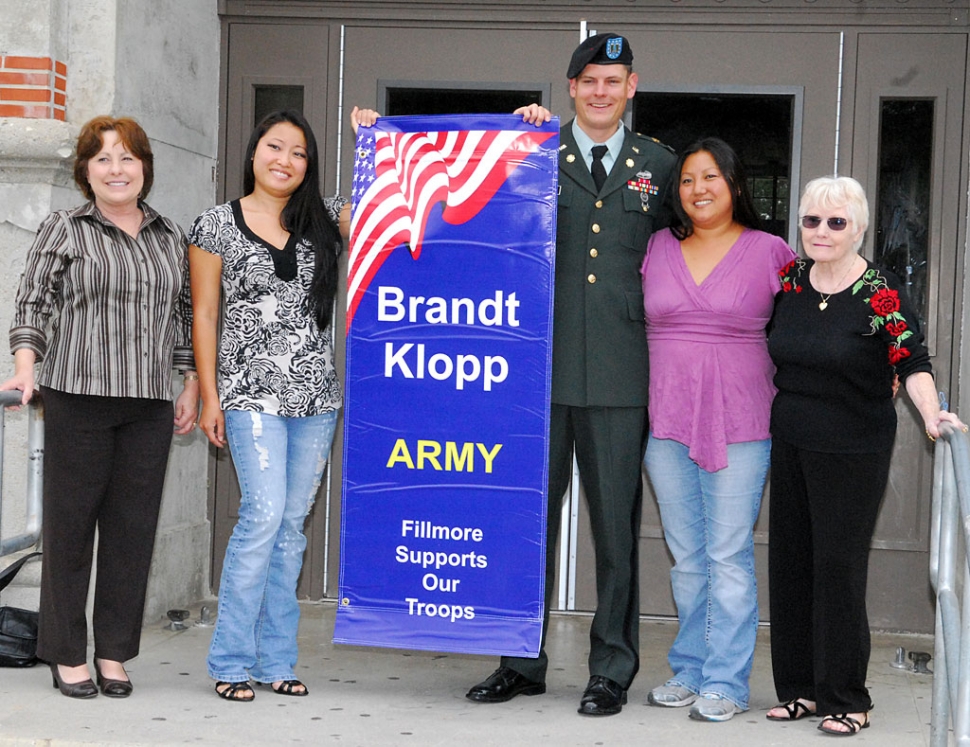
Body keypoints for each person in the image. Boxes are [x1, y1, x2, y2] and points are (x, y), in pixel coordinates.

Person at [465, 33, 677, 717]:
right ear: (570, 88)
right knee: (525, 524)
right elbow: (462, 209)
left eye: (612, 80)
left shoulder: (661, 166)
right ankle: (519, 660)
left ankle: (611, 667)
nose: (600, 92)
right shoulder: (529, 153)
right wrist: (379, 138)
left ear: (631, 87)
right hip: (533, 371)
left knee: (617, 531)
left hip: (621, 375)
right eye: (588, 81)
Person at [1, 115, 199, 698]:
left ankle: (114, 653)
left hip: (147, 405)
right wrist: (24, 366)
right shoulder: (66, 227)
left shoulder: (168, 235)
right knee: (69, 532)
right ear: (86, 171)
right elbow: (33, 302)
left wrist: (188, 383)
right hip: (78, 399)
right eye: (103, 158)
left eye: (128, 157)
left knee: (131, 533)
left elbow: (184, 316)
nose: (117, 169)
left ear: (145, 168)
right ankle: (67, 654)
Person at [764, 175, 965, 735]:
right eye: (811, 221)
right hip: (792, 439)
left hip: (854, 446)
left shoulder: (881, 292)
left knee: (837, 568)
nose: (821, 232)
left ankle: (849, 697)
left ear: (859, 228)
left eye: (836, 222)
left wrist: (931, 414)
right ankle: (800, 688)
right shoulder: (790, 281)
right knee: (792, 563)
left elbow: (912, 360)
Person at [190, 108, 361, 701]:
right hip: (248, 392)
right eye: (274, 146)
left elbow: (396, 207)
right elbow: (205, 315)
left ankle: (275, 660)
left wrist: (372, 140)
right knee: (261, 519)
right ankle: (231, 661)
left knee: (290, 529)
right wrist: (210, 396)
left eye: (298, 153)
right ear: (254, 151)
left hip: (316, 396)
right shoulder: (216, 224)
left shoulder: (324, 217)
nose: (284, 160)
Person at [639, 138, 795, 722]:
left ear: (734, 184)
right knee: (687, 555)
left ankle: (727, 681)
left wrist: (876, 362)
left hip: (742, 419)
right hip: (668, 419)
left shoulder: (770, 250)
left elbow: (814, 315)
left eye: (710, 177)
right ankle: (691, 669)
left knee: (728, 556)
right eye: (686, 180)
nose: (698, 189)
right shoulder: (656, 246)